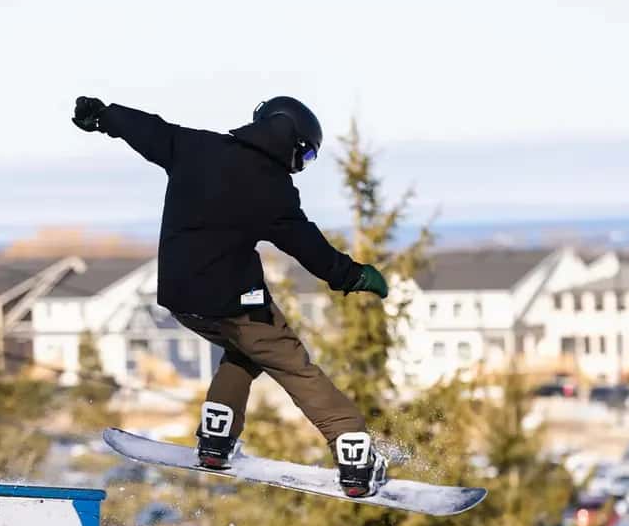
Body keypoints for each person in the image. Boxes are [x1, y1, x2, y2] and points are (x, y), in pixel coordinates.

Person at [71, 94, 391, 496]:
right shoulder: (274, 189)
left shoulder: (195, 147)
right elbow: (311, 249)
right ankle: (354, 456)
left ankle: (216, 439)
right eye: (307, 156)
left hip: (181, 298)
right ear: (290, 141)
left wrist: (104, 115)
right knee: (294, 366)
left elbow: (148, 129)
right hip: (235, 303)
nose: (302, 165)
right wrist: (355, 276)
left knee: (244, 352)